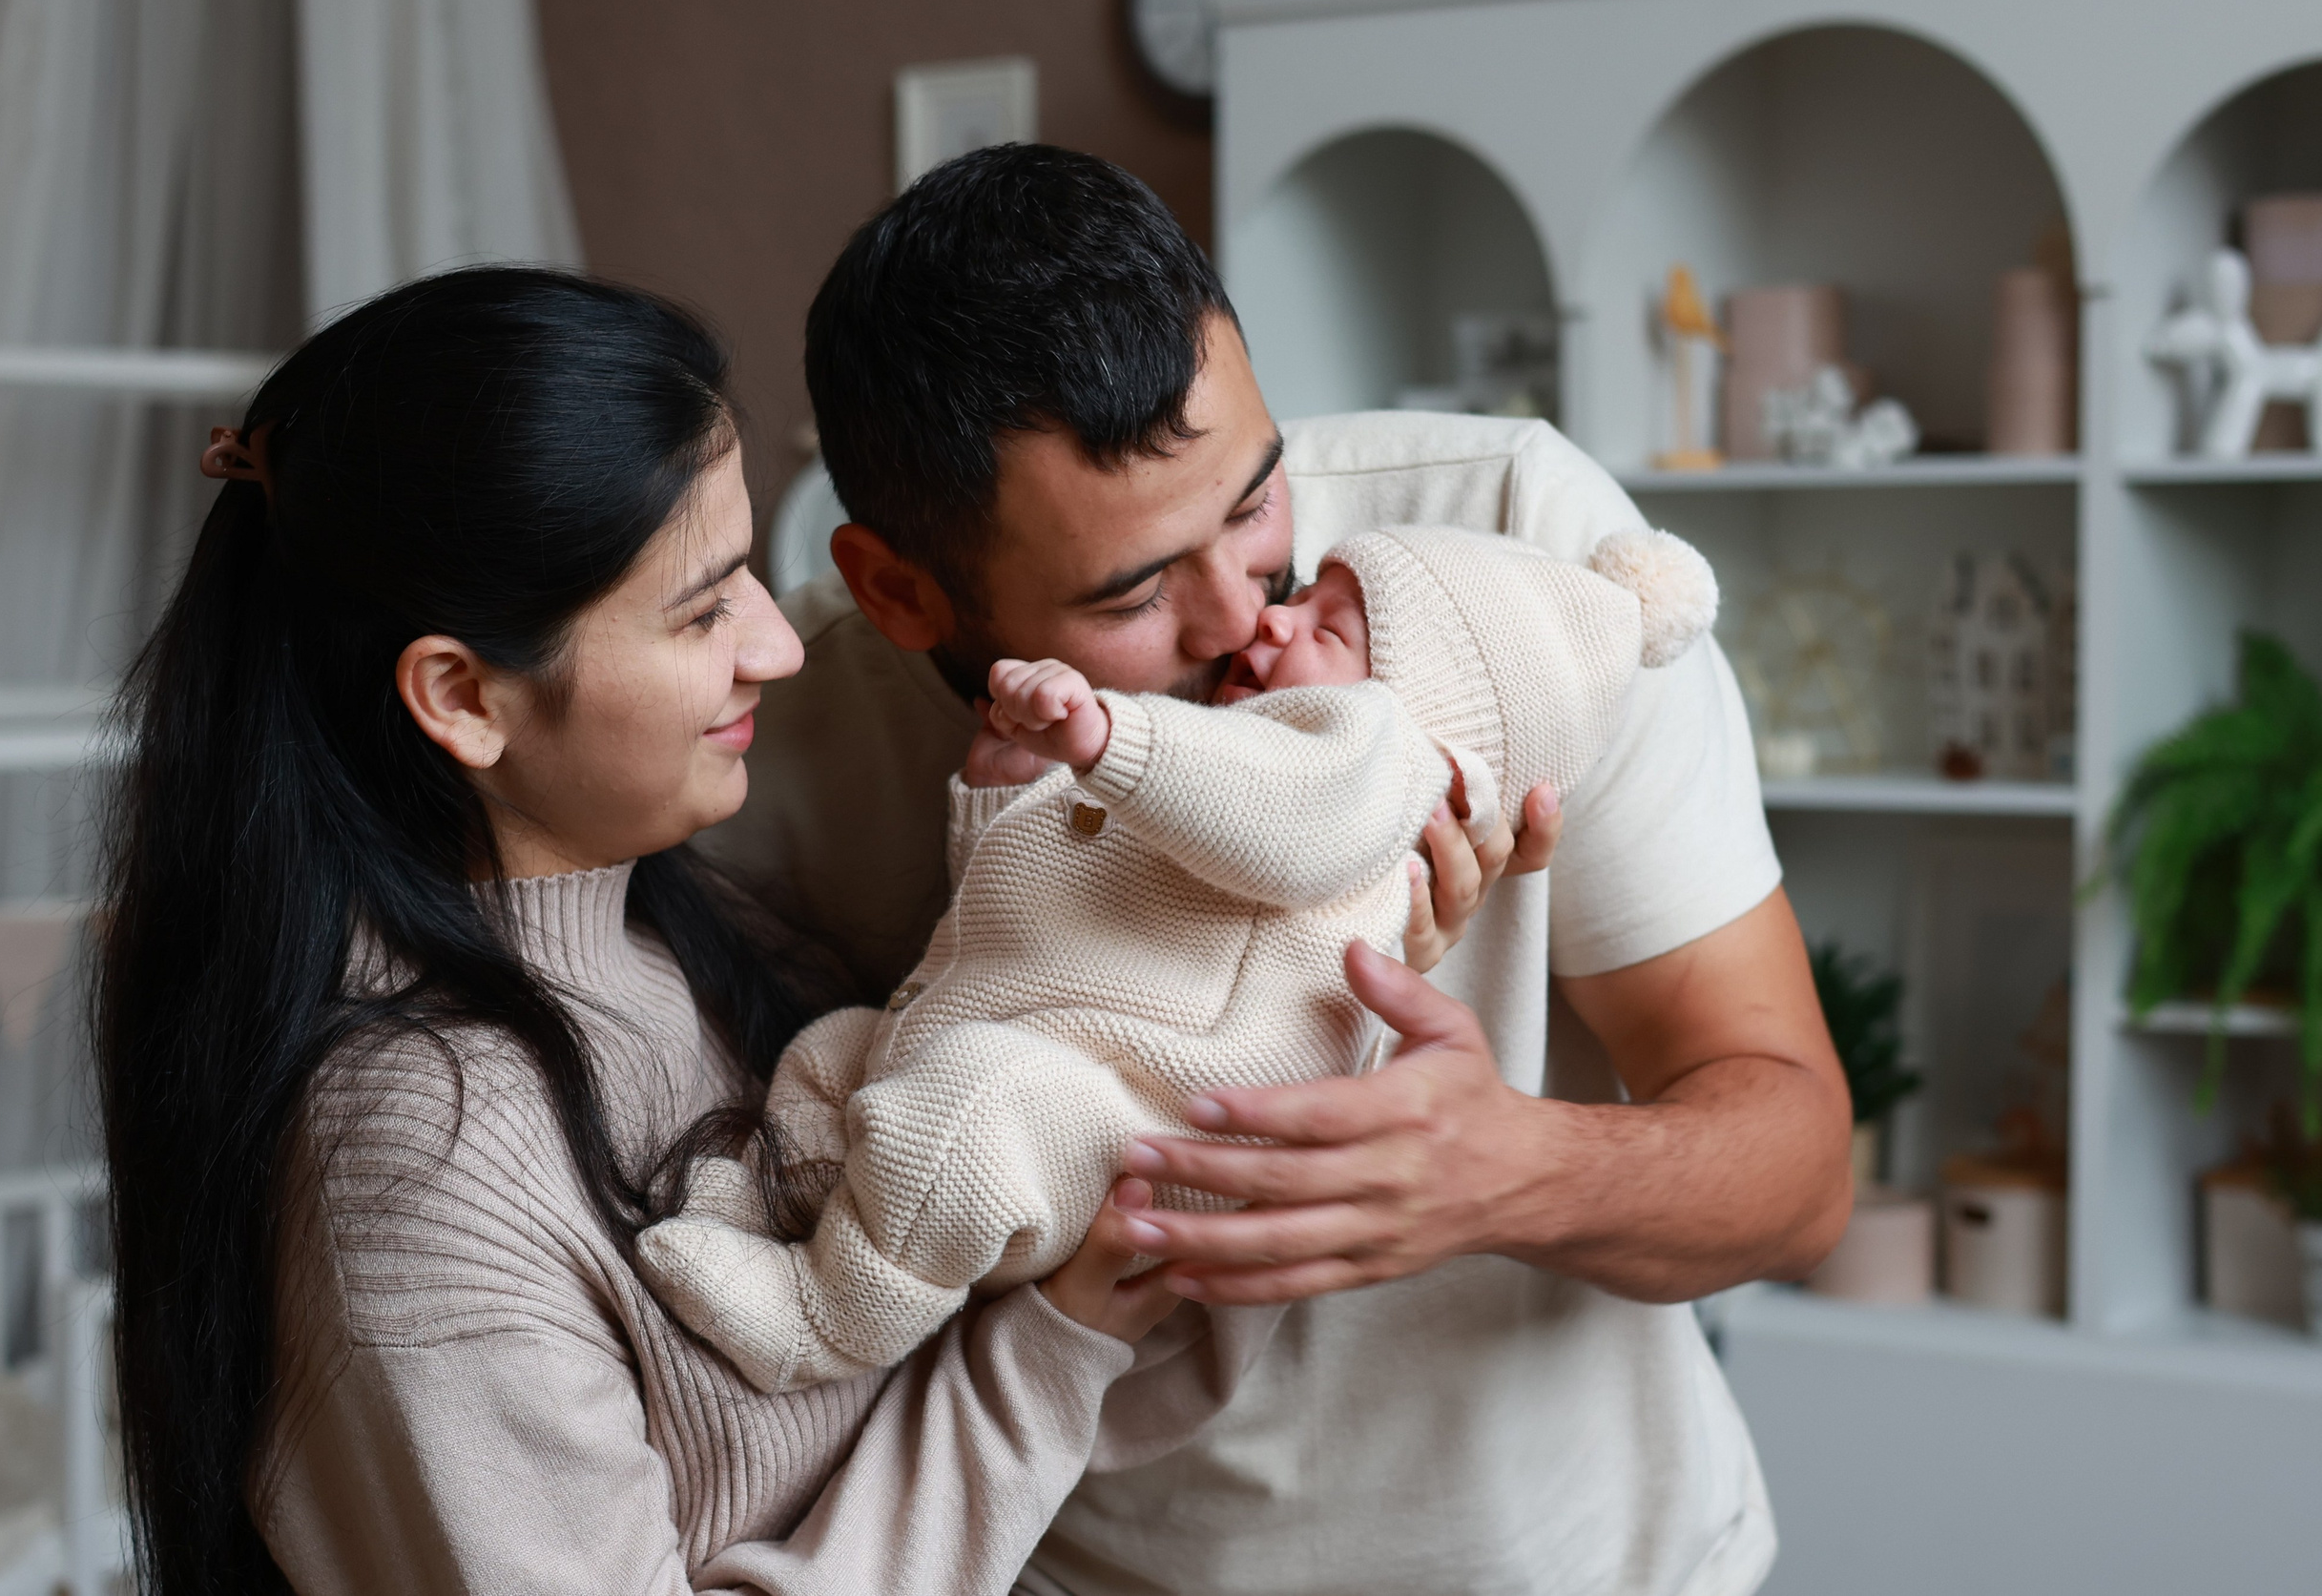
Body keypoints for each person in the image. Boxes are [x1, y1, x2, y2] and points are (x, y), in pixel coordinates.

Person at [705, 145, 1853, 1596]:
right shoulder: (771, 750)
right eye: (1134, 589)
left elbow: (1800, 1176)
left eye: (1254, 502)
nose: (1244, 614)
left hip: (1584, 1560)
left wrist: (1505, 1170)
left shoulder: (1512, 557)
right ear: (898, 590)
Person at [93, 267, 1188, 1596]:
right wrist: (1045, 1359)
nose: (779, 648)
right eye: (705, 607)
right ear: (463, 696)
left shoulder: (695, 936)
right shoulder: (422, 1179)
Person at [638, 522, 1715, 1398]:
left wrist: (1109, 741)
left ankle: (821, 1322)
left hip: (1141, 1122)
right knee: (834, 1054)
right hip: (1022, 1047)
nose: (1271, 616)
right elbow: (1034, 926)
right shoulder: (1222, 783)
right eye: (1306, 591)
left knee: (967, 1123)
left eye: (1329, 628)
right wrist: (1004, 797)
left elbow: (1286, 805)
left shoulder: (1373, 770)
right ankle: (762, 1204)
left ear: (1427, 723)